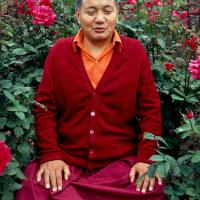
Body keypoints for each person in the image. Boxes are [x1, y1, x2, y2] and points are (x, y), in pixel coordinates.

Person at [15, 0, 167, 199]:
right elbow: (45, 109)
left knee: (151, 187)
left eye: (107, 11)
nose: (100, 19)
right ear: (78, 15)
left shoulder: (134, 52)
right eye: (91, 11)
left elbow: (150, 109)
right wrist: (51, 155)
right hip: (68, 163)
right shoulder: (60, 51)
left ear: (117, 13)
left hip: (119, 166)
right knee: (31, 185)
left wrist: (146, 159)